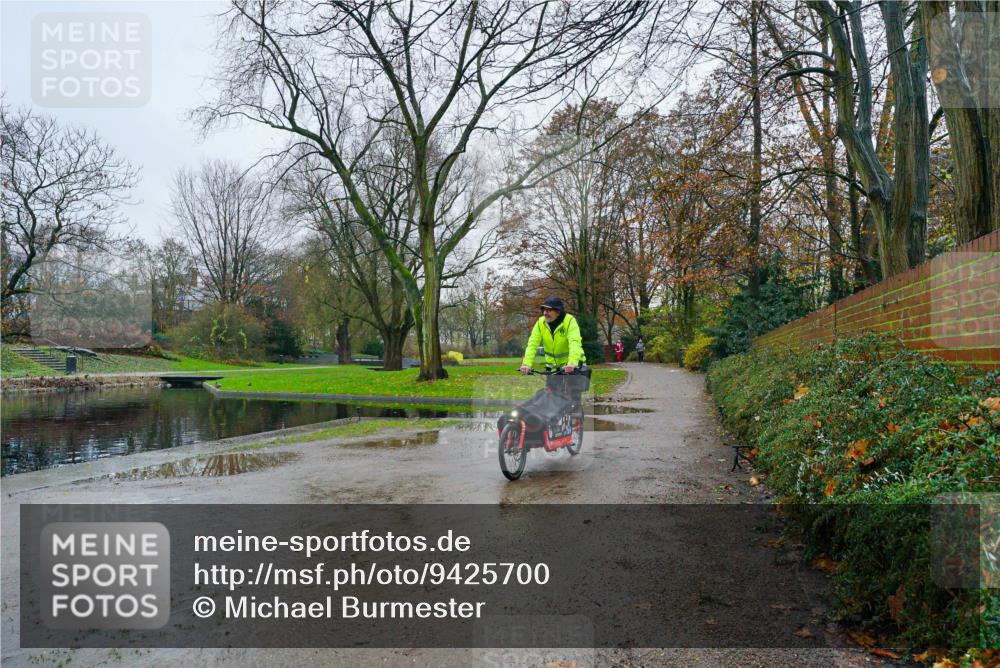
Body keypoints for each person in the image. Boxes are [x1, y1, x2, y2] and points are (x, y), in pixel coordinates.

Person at [519, 296, 586, 375]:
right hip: (553, 369)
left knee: (572, 387)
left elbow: (574, 342)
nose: (545, 313)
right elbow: (532, 344)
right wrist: (526, 364)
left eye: (549, 310)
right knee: (550, 388)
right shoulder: (541, 323)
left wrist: (572, 363)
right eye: (544, 310)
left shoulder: (569, 321)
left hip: (574, 367)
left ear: (558, 311)